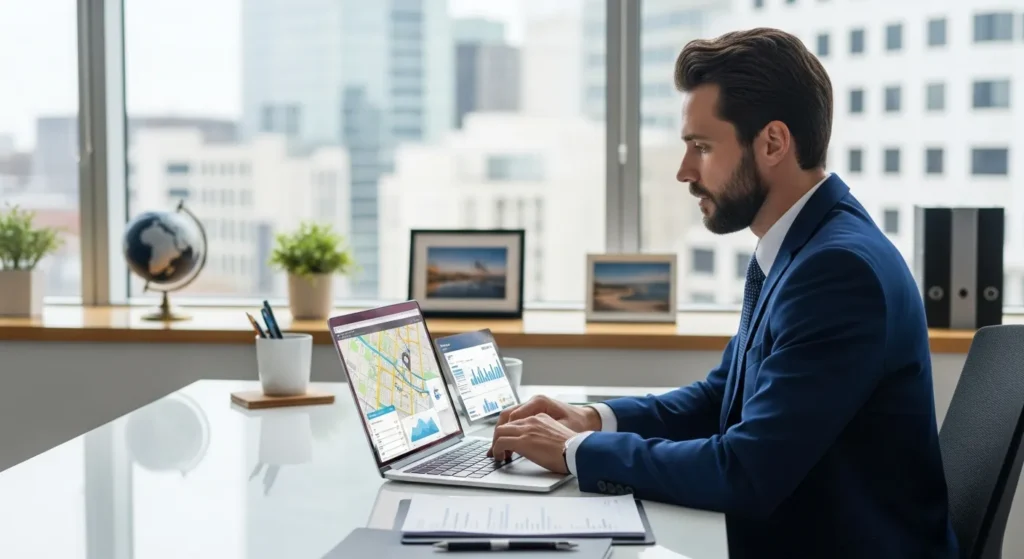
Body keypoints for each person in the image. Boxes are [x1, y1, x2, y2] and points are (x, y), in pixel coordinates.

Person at [488, 27, 958, 558]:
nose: (684, 171)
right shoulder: (802, 247)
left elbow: (745, 471)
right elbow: (723, 398)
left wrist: (576, 451)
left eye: (702, 147)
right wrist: (593, 419)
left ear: (773, 143)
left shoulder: (837, 270)